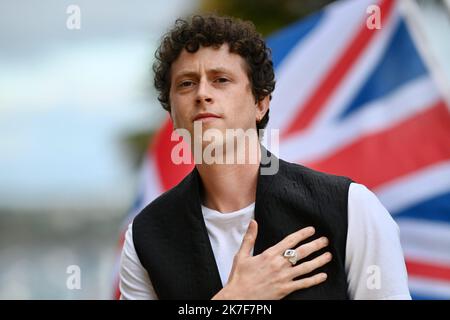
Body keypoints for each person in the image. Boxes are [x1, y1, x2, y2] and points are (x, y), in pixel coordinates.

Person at [119, 14, 411, 300]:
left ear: (260, 103)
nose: (202, 93)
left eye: (221, 79)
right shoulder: (146, 236)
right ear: (171, 112)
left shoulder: (351, 207)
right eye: (186, 83)